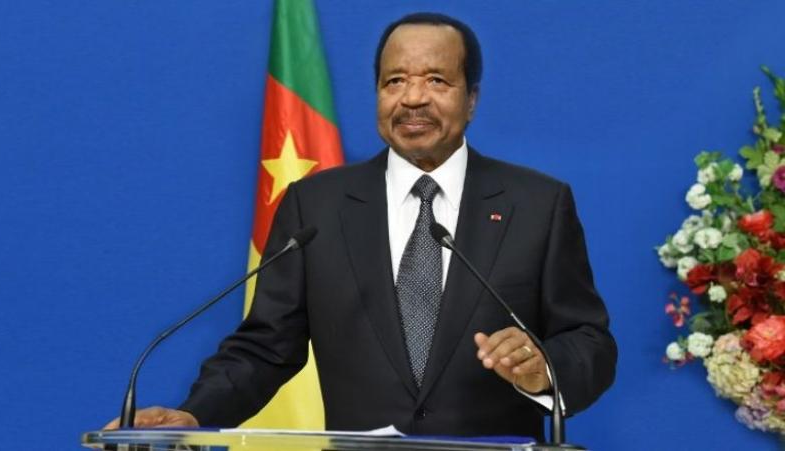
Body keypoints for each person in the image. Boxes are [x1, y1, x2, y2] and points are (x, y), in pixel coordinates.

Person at [105, 12, 617, 441]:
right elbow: (265, 348)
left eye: (436, 80)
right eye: (395, 81)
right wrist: (194, 415)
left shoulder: (537, 204)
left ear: (472, 99)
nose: (412, 98)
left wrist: (543, 368)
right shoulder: (315, 206)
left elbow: (588, 340)